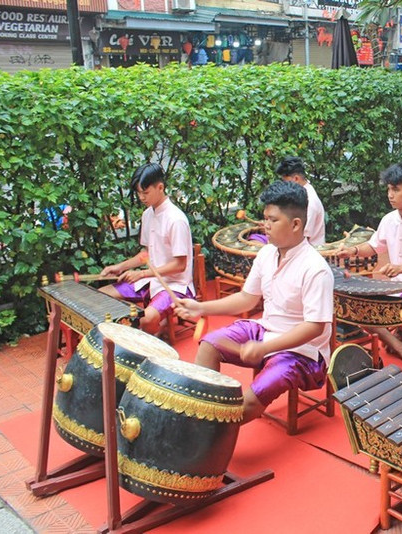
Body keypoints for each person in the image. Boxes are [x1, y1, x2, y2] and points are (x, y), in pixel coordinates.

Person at [175, 180, 334, 424]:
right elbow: (247, 298)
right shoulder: (267, 253)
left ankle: (209, 438)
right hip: (266, 331)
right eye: (265, 218)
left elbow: (315, 327)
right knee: (209, 346)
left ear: (295, 224)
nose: (265, 226)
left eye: (273, 220)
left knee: (248, 402)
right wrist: (200, 307)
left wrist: (264, 348)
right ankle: (203, 420)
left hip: (303, 353)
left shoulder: (316, 269)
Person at [338, 162, 402, 368]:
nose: (390, 194)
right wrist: (353, 251)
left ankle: (397, 334)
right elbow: (374, 246)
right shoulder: (388, 219)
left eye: (396, 189)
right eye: (388, 188)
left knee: (386, 308)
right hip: (395, 285)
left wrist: (399, 268)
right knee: (355, 306)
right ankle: (398, 343)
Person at [100, 163, 195, 334]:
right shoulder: (148, 214)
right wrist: (120, 267)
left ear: (160, 187)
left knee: (147, 318)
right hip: (152, 280)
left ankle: (152, 345)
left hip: (176, 285)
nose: (142, 197)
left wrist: (142, 273)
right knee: (100, 297)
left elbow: (180, 265)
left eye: (145, 192)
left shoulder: (176, 219)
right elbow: (146, 255)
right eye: (139, 193)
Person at [276, 156, 326, 246]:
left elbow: (301, 238)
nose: (284, 185)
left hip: (309, 251)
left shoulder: (310, 202)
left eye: (285, 181)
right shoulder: (302, 192)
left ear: (296, 179)